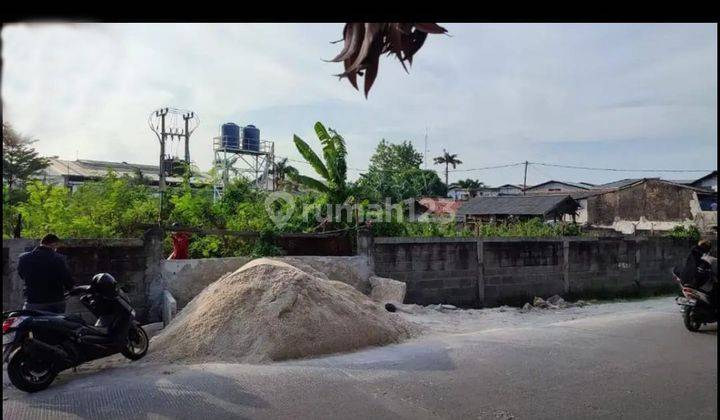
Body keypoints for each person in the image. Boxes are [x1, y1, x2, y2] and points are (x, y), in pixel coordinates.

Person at [17, 233, 75, 313]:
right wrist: (71, 289)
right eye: (56, 246)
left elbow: (21, 275)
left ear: (42, 242)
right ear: (54, 244)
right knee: (55, 324)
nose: (56, 249)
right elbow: (67, 279)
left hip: (33, 301)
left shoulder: (23, 258)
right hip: (55, 301)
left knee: (32, 324)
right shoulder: (59, 258)